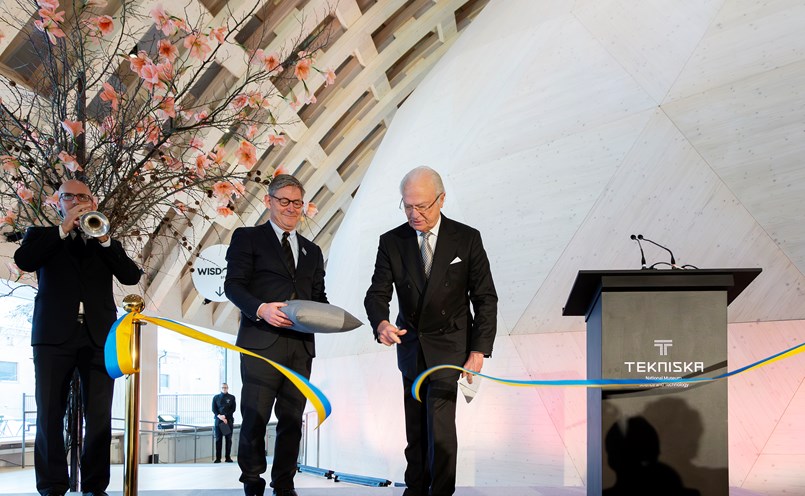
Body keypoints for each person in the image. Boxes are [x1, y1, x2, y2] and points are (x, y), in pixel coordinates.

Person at [364, 166, 498, 496]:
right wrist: (381, 322)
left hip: (450, 347)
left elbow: (485, 298)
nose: (414, 214)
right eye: (407, 205)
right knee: (415, 429)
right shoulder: (392, 242)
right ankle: (415, 488)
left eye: (422, 206)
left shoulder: (466, 238)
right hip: (411, 347)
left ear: (441, 200)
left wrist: (478, 350)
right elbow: (377, 292)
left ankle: (440, 492)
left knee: (439, 429)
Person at [14, 179, 142, 496]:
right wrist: (62, 229)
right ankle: (52, 485)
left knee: (99, 416)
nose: (75, 201)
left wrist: (105, 240)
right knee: (49, 413)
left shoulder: (104, 240)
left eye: (82, 197)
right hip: (53, 336)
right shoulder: (41, 235)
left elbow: (131, 275)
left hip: (98, 336)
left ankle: (95, 486)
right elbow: (24, 261)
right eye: (68, 196)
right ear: (58, 202)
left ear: (93, 203)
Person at [224, 174, 327, 496]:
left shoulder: (312, 250)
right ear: (269, 201)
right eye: (284, 201)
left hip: (300, 347)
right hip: (260, 343)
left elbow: (319, 298)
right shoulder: (247, 238)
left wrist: (328, 318)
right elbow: (233, 286)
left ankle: (285, 483)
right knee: (254, 417)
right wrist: (261, 309)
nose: (291, 208)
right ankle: (252, 480)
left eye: (297, 202)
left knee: (292, 419)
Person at [212, 383, 237, 463]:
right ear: (220, 388)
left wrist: (225, 417)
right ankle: (218, 458)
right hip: (218, 421)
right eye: (223, 387)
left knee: (228, 439)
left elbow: (233, 409)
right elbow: (214, 409)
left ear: (228, 388)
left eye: (225, 387)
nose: (224, 389)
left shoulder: (232, 397)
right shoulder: (216, 397)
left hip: (228, 421)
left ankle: (228, 457)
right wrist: (220, 416)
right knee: (218, 439)